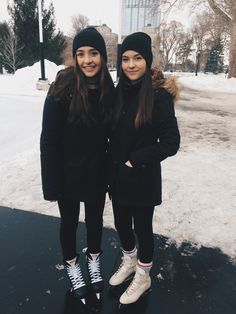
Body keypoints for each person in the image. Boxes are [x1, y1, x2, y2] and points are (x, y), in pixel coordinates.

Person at [40, 27, 114, 301]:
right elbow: (48, 139)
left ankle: (94, 260)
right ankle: (72, 265)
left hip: (96, 171)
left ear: (103, 57)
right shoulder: (62, 88)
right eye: (81, 54)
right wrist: (51, 183)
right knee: (69, 222)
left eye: (93, 53)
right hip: (67, 172)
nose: (87, 60)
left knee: (95, 220)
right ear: (75, 58)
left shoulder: (108, 89)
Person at [108, 32, 180, 305]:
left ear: (147, 61)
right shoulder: (119, 92)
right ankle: (129, 261)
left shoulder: (158, 97)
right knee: (121, 225)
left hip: (142, 178)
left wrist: (135, 160)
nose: (131, 64)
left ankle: (143, 275)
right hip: (117, 177)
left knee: (143, 229)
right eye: (125, 59)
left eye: (137, 58)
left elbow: (171, 143)